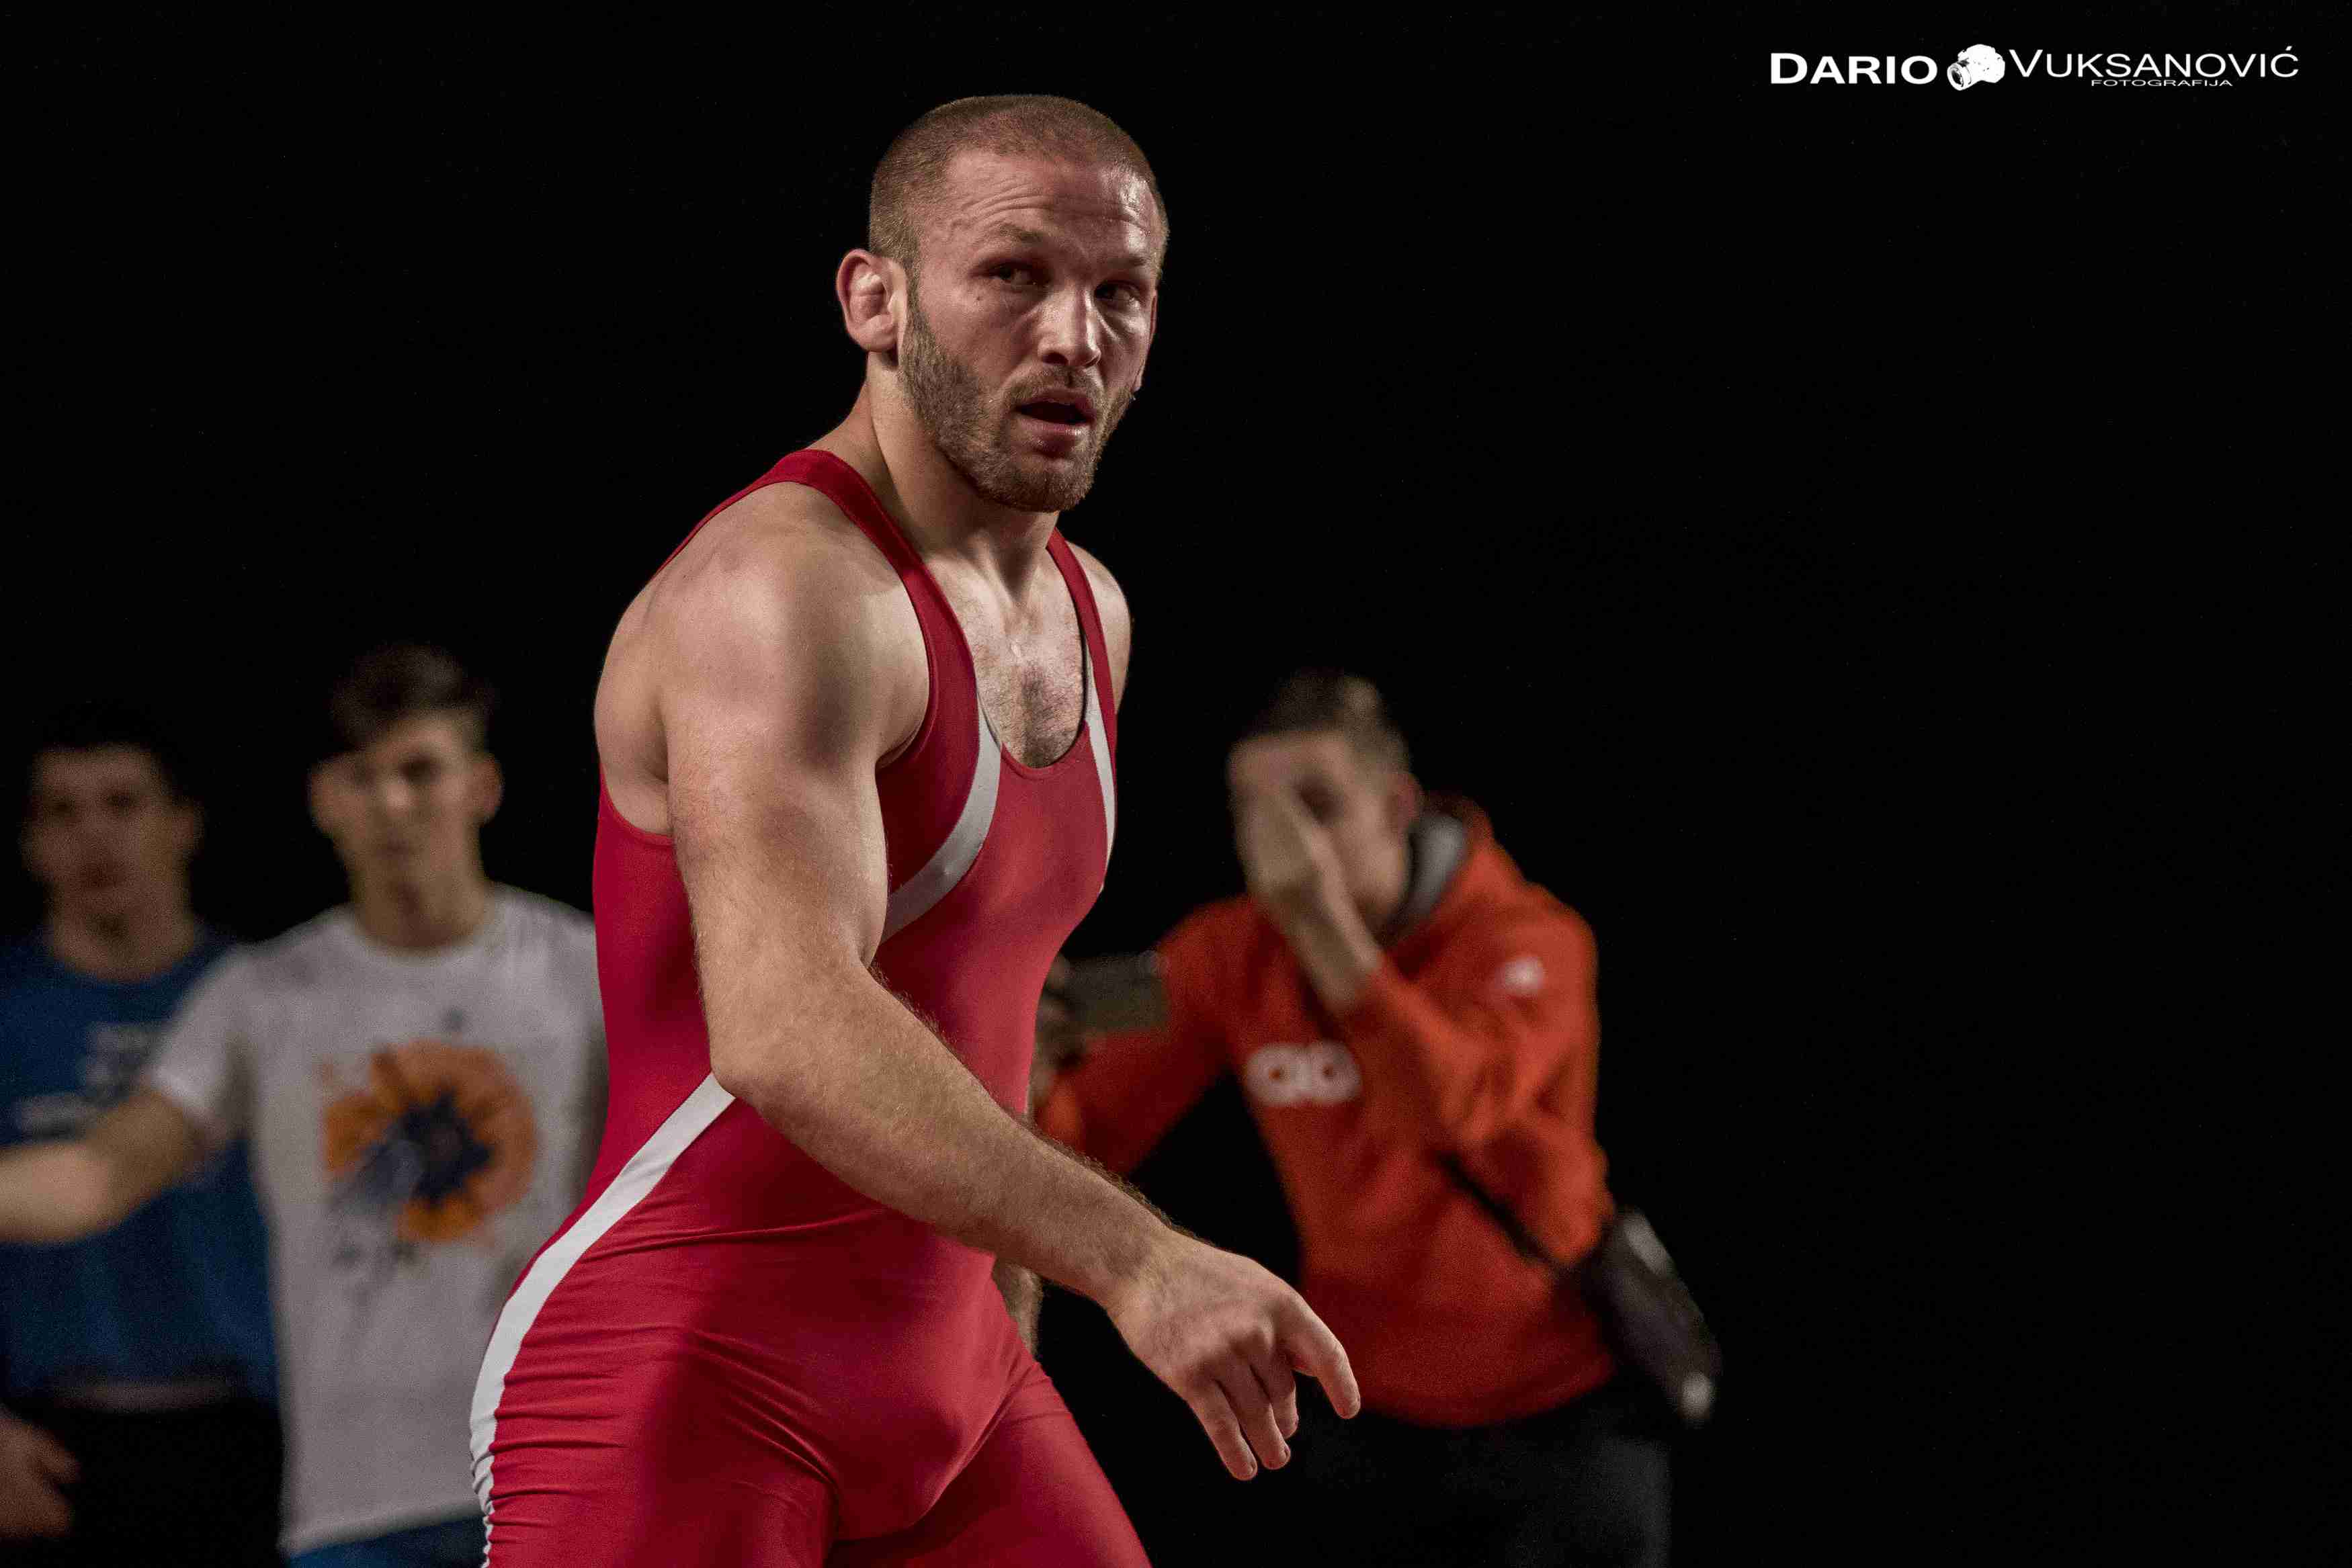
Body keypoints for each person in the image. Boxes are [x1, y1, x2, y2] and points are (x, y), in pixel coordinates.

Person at [470, 95, 1359, 1567]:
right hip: (689, 1378)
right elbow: (785, 1024)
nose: (1073, 336)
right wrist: (1138, 1257)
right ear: (874, 301)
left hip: (956, 1377)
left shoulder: (1092, 611)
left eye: (1121, 292)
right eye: (1014, 275)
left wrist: (1011, 1289)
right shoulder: (785, 588)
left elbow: (980, 1017)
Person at [1037, 670, 1672, 1567]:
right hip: (1367, 1407)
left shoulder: (1531, 937)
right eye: (1258, 815)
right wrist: (1026, 1059)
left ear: (1397, 807)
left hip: (1557, 1408)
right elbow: (1079, 1137)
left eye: (1317, 807)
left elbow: (1444, 1107)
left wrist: (1317, 921)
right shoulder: (1232, 954)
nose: (1285, 849)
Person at [0, 646, 606, 1567]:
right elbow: (100, 1172)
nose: (393, 803)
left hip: (560, 1472)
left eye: (420, 771)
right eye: (362, 777)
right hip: (355, 1500)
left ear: (481, 785)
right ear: (325, 801)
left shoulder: (584, 972)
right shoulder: (261, 995)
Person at [0, 703, 281, 1565]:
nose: (95, 835)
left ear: (183, 823)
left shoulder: (272, 997)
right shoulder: (8, 1008)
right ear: (31, 845)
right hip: (51, 1446)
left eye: (123, 804)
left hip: (260, 1433)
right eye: (63, 812)